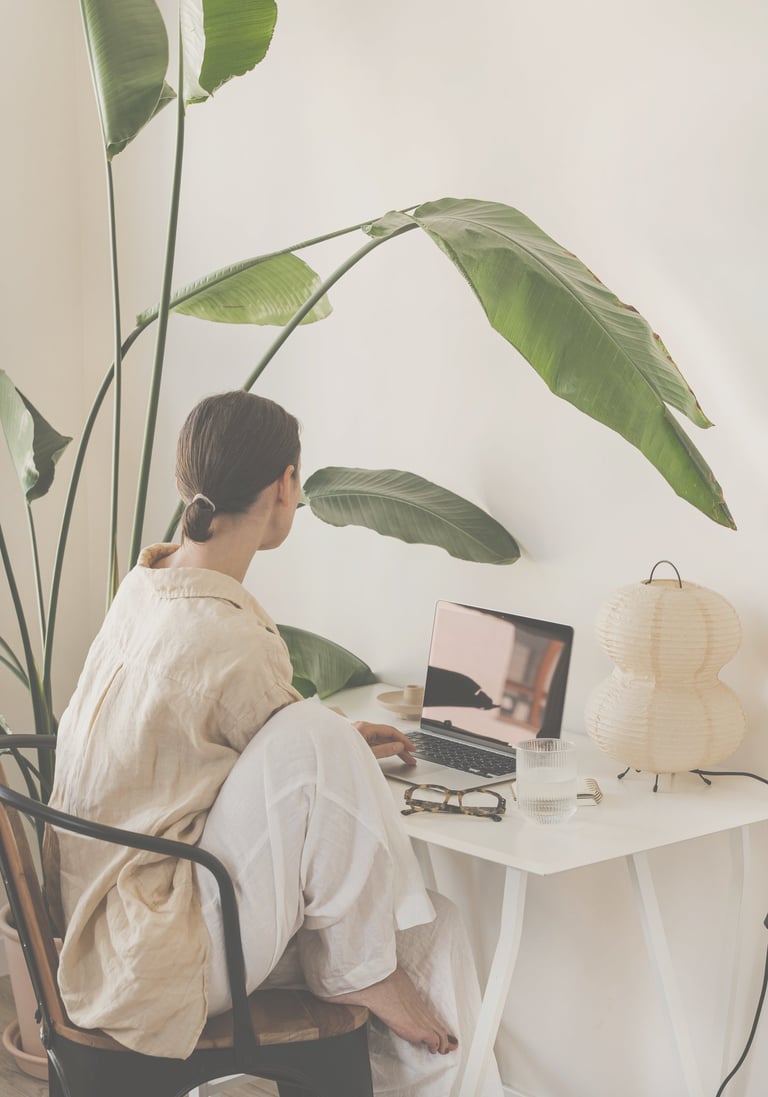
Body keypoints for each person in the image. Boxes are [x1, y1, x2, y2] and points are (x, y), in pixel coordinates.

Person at [46, 391, 503, 1096]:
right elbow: (292, 747)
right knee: (418, 926)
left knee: (425, 919)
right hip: (160, 950)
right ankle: (369, 978)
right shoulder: (231, 633)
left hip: (97, 924)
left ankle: (379, 985)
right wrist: (335, 744)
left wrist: (340, 745)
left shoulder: (146, 585)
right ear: (286, 486)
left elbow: (237, 743)